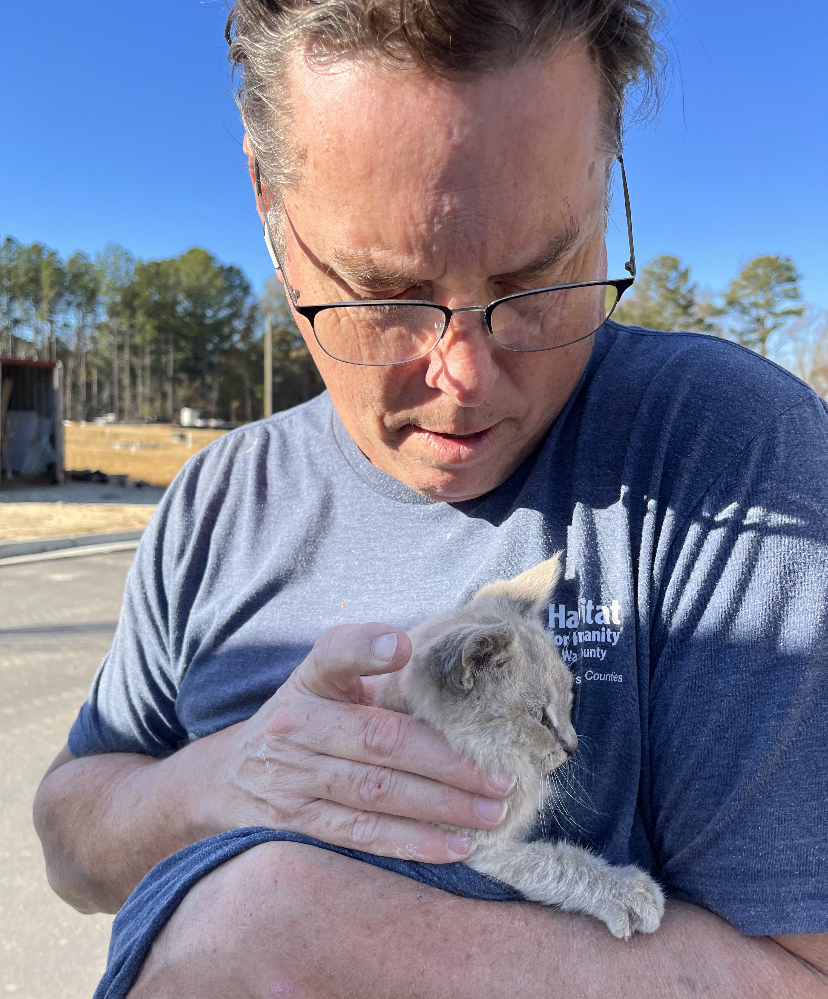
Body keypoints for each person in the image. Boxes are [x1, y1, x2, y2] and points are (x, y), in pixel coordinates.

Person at [34, 1, 828, 996]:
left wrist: (293, 932)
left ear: (609, 173)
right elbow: (71, 840)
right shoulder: (217, 498)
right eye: (383, 295)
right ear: (266, 200)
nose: (463, 378)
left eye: (537, 277)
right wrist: (223, 779)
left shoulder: (728, 459)